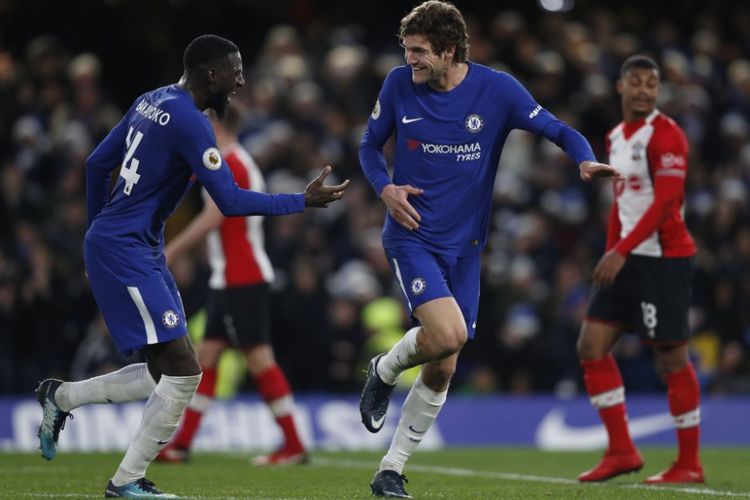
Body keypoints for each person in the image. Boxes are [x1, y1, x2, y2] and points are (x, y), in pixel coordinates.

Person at [35, 34, 348, 498]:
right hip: (126, 249)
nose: (242, 81)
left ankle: (60, 397)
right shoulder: (191, 123)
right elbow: (231, 201)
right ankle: (126, 481)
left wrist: (97, 228)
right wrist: (300, 201)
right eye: (237, 71)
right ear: (212, 74)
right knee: (185, 370)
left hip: (133, 246)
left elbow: (97, 163)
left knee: (169, 371)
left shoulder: (152, 99)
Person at [357, 2, 621, 497]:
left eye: (419, 52)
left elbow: (559, 130)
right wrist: (385, 189)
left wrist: (584, 161)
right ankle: (386, 368)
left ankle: (390, 468)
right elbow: (370, 145)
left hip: (466, 248)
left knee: (445, 361)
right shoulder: (398, 85)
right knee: (449, 333)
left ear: (449, 50)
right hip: (412, 235)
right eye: (406, 50)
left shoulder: (496, 90)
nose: (409, 60)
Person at [155, 103, 307, 466]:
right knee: (206, 360)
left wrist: (172, 249)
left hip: (244, 277)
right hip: (230, 278)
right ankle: (183, 444)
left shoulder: (234, 163)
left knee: (259, 360)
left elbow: (213, 217)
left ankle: (294, 445)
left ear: (214, 124)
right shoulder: (226, 161)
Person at [576, 55, 703, 484]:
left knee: (671, 360)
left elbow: (665, 201)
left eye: (653, 83)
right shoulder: (615, 135)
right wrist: (613, 250)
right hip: (629, 257)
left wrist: (620, 252)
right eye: (637, 82)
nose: (646, 90)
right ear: (621, 87)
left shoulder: (667, 135)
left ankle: (689, 463)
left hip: (664, 259)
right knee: (591, 346)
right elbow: (623, 203)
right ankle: (621, 450)